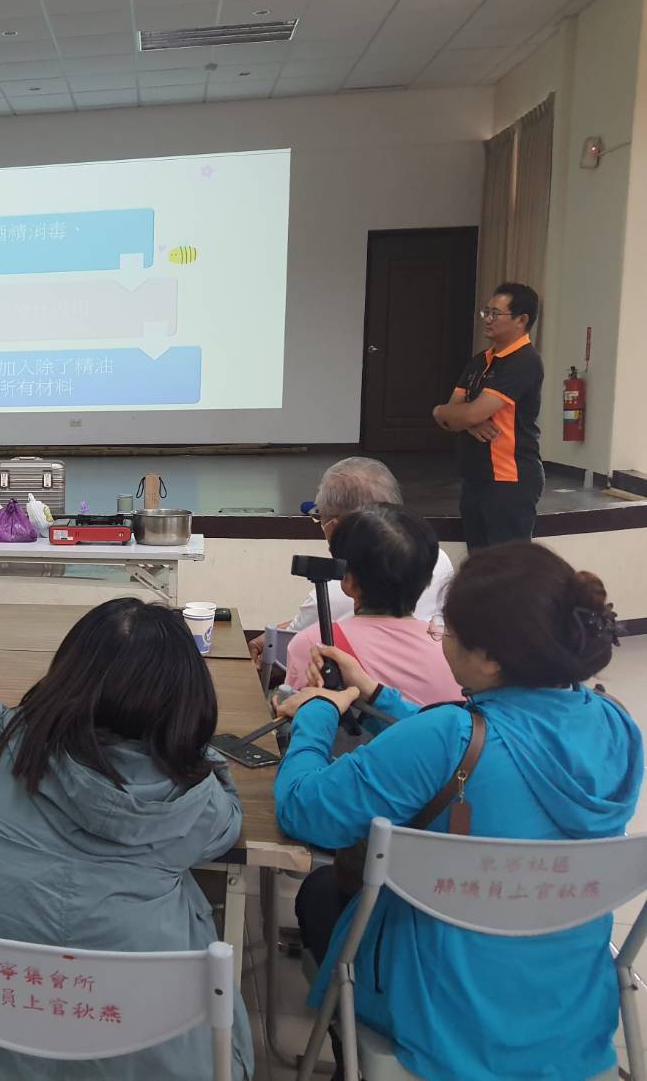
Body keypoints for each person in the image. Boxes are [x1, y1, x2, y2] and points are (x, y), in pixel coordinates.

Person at [272, 542, 639, 1079]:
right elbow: (493, 737)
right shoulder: (616, 725)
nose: (438, 634)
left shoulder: (445, 737)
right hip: (571, 1015)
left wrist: (318, 713)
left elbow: (303, 809)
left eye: (446, 627)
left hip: (443, 1015)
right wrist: (376, 694)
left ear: (489, 658)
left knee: (323, 892)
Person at [0, 598, 253, 1080]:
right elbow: (229, 825)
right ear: (186, 703)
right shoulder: (194, 801)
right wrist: (196, 754)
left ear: (67, 674)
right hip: (144, 1064)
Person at [248, 457, 453, 668]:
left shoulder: (336, 588)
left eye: (319, 517)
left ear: (336, 527)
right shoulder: (438, 559)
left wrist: (269, 647)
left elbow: (288, 653)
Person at [283, 505, 461, 706]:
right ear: (428, 580)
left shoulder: (317, 645)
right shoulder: (454, 650)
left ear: (348, 580)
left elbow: (297, 716)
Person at [433, 282, 545, 550]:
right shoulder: (479, 361)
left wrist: (463, 417)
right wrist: (459, 419)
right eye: (487, 312)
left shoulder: (524, 361)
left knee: (506, 566)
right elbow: (448, 412)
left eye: (496, 313)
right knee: (479, 562)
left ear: (521, 320)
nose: (488, 319)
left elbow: (471, 412)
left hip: (508, 480)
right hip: (475, 476)